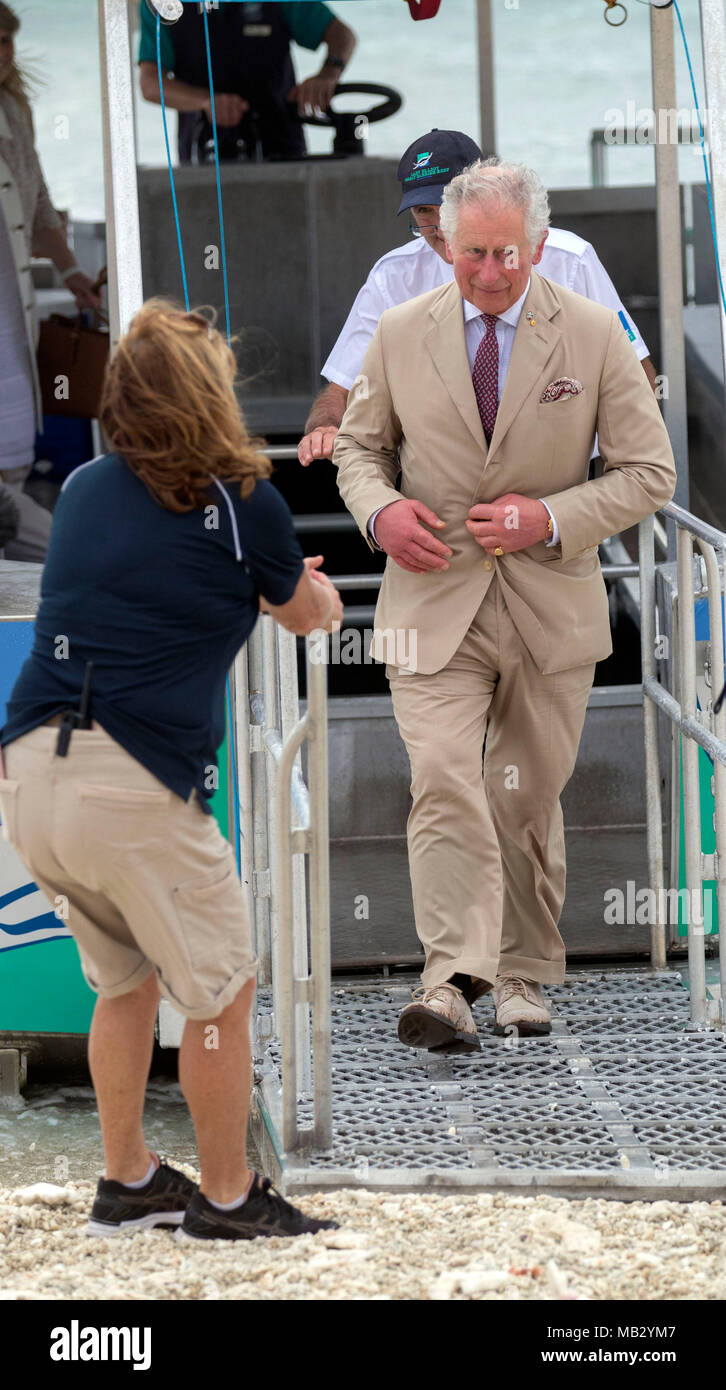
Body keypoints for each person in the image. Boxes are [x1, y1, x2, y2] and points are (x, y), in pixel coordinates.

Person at [0, 300, 343, 1240]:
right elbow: (303, 611)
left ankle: (128, 1182)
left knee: (123, 983)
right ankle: (229, 1198)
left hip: (30, 768)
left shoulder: (82, 492)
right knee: (223, 986)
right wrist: (315, 593)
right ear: (209, 395)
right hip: (135, 781)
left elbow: (148, 576)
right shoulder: (247, 501)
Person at [333, 160, 675, 1049]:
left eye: (507, 254)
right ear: (446, 242)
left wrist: (550, 515)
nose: (489, 272)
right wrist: (380, 511)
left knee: (522, 796)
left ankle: (522, 971)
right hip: (430, 601)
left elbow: (649, 473)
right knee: (444, 781)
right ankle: (450, 981)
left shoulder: (596, 334)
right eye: (472, 253)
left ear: (537, 244)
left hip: (548, 603)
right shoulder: (400, 330)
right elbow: (359, 451)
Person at [299, 129, 656, 466]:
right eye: (424, 212)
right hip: (442, 490)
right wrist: (325, 429)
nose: (439, 228)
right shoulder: (392, 277)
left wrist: (614, 488)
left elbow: (634, 374)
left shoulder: (570, 260)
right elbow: (340, 390)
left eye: (446, 205)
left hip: (563, 482)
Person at [0, 2, 102, 563]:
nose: (3, 52)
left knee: (13, 445)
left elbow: (39, 205)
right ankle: (73, 556)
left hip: (12, 302)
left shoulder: (15, 108)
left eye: (7, 41)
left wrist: (72, 274)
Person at [138, 0, 356, 164]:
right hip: (202, 153)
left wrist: (327, 75)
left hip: (281, 149)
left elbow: (342, 34)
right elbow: (150, 83)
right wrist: (206, 101)